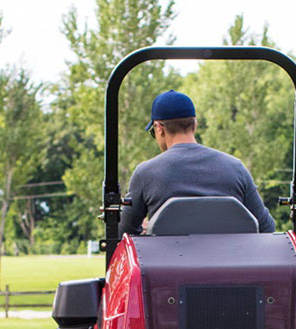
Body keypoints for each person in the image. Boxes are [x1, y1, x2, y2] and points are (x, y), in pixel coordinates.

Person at [118, 90, 275, 236]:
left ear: (159, 128)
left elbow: (123, 231)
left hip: (170, 264)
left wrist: (148, 228)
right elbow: (266, 227)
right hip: (227, 263)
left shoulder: (146, 173)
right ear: (195, 124)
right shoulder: (236, 168)